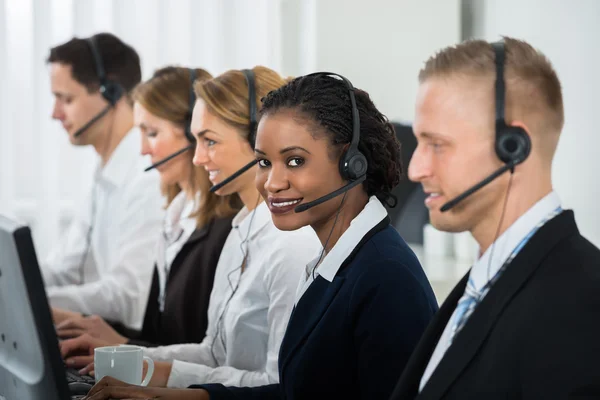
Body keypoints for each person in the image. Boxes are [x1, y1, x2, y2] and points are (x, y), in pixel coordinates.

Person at [80, 72, 439, 400]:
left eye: (295, 161)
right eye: (264, 162)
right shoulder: (331, 260)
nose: (272, 182)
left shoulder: (386, 277)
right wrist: (163, 395)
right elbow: (294, 392)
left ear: (352, 163)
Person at [62, 67, 321, 389]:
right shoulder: (242, 229)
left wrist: (156, 374)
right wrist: (133, 360)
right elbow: (213, 352)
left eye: (209, 141)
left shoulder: (290, 246)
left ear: (259, 138)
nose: (197, 158)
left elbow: (278, 385)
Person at [387, 38, 600, 399]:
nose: (415, 169)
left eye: (436, 144)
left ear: (513, 146)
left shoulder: (581, 306)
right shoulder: (485, 280)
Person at [54, 66, 241, 351]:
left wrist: (123, 345)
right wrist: (115, 342)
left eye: (152, 133)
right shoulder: (175, 218)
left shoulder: (227, 228)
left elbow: (206, 353)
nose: (142, 150)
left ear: (193, 134)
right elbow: (162, 339)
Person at [45, 32, 164, 330]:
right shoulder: (102, 172)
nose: (55, 114)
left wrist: (36, 301)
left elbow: (126, 297)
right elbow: (64, 268)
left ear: (112, 92)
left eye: (66, 99)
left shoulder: (147, 176)